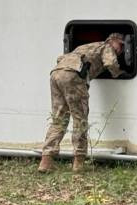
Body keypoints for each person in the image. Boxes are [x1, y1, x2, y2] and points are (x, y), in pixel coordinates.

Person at [38, 33, 128, 173]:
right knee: (80, 120)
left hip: (56, 74)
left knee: (58, 119)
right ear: (111, 40)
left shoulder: (85, 47)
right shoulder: (105, 46)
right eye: (120, 44)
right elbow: (110, 62)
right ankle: (79, 162)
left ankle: (46, 160)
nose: (121, 49)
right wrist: (119, 73)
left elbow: (61, 58)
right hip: (73, 76)